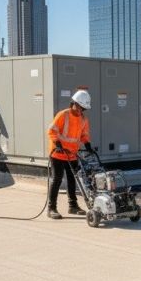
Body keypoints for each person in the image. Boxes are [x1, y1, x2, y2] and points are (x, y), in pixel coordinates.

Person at [46, 89, 93, 220]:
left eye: (83, 109)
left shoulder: (83, 119)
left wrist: (87, 144)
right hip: (58, 153)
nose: (81, 110)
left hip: (72, 154)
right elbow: (51, 131)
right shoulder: (63, 115)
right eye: (80, 107)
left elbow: (84, 135)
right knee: (57, 179)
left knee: (73, 179)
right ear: (74, 103)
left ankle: (73, 206)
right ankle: (51, 208)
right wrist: (57, 143)